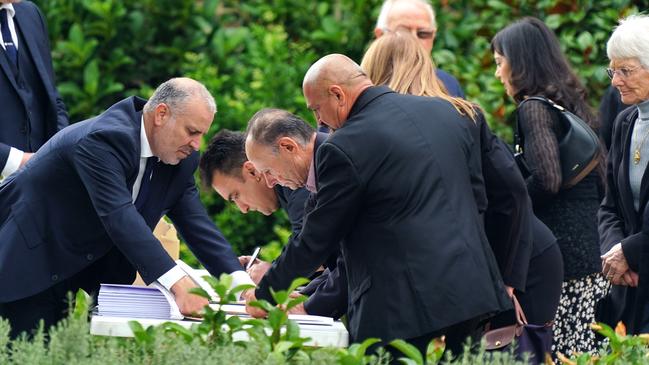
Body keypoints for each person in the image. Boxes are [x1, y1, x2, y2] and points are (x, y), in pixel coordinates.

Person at [243, 54, 510, 356]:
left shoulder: (343, 146)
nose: (318, 121)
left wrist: (265, 294)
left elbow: (315, 238)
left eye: (317, 109)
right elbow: (483, 198)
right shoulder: (450, 113)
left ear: (338, 95)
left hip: (400, 308)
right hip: (473, 288)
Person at [361, 32, 563, 360]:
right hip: (491, 263)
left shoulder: (457, 117)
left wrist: (508, 275)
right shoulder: (455, 116)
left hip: (518, 259)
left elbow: (511, 195)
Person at [0, 77, 253, 339]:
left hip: (76, 262)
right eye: (192, 131)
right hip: (28, 254)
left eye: (202, 134)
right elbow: (119, 216)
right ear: (161, 114)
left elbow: (196, 224)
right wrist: (180, 285)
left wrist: (244, 287)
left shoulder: (180, 159)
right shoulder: (104, 139)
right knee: (28, 353)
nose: (197, 144)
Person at [492, 17, 607, 356]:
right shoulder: (570, 106)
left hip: (562, 255)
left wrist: (509, 209)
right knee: (584, 352)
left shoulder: (533, 109)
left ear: (521, 63)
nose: (498, 74)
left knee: (556, 352)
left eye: (501, 63)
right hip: (589, 249)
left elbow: (547, 179)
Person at [198, 129, 347, 318]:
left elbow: (314, 251)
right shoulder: (289, 188)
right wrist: (298, 292)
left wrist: (271, 278)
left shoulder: (295, 183)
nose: (242, 208)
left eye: (236, 196)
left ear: (252, 171)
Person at [598, 14, 649, 335]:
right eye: (612, 70)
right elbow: (609, 204)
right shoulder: (625, 121)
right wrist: (617, 253)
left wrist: (630, 252)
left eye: (626, 70)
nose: (615, 81)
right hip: (630, 285)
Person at [0, 0, 69, 178]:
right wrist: (17, 161)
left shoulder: (31, 13)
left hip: (41, 187)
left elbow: (52, 98)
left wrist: (61, 149)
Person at [373, 0, 464, 98]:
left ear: (433, 36)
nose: (414, 40)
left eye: (423, 33)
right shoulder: (363, 84)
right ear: (380, 35)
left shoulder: (449, 85)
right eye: (403, 32)